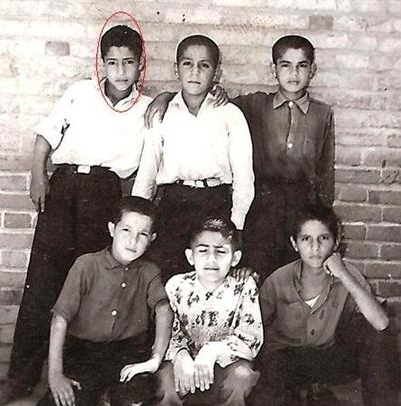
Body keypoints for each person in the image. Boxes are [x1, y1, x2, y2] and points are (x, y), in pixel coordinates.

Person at [0, 25, 152, 406]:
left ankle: (75, 380)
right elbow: (45, 136)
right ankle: (19, 378)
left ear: (140, 65)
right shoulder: (80, 93)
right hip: (64, 188)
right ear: (101, 64)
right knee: (43, 284)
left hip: (106, 194)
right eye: (113, 63)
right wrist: (37, 175)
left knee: (90, 286)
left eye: (128, 62)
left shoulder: (148, 108)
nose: (121, 71)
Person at [143, 35, 334, 284]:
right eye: (286, 65)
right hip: (244, 205)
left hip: (292, 204)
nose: (293, 73)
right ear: (274, 69)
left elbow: (324, 173)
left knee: (289, 274)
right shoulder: (254, 104)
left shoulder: (320, 113)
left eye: (302, 65)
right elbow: (196, 97)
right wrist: (166, 96)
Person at [26, 196, 173, 406]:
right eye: (126, 230)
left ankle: (113, 404)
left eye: (143, 234)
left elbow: (164, 310)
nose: (133, 241)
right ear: (112, 229)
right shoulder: (86, 265)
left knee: (140, 393)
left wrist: (155, 359)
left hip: (127, 352)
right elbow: (60, 319)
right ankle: (96, 391)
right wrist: (55, 375)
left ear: (152, 239)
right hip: (85, 352)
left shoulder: (150, 272)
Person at [253, 201, 393, 406]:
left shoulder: (348, 274)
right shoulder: (279, 280)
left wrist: (343, 274)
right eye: (306, 239)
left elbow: (381, 324)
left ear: (335, 243)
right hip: (288, 359)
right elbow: (254, 328)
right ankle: (301, 396)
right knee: (264, 401)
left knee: (373, 334)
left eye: (323, 238)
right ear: (294, 244)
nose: (315, 248)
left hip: (328, 356)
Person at [132, 34, 254, 282]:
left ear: (216, 73)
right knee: (168, 276)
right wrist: (137, 219)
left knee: (210, 277)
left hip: (215, 202)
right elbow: (148, 171)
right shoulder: (161, 114)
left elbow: (244, 177)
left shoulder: (230, 114)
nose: (195, 72)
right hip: (173, 204)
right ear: (175, 69)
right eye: (187, 63)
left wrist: (236, 225)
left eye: (204, 65)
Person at [133, 215, 263, 406]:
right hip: (183, 367)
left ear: (235, 258)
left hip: (223, 366)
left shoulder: (245, 286)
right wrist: (181, 355)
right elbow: (166, 331)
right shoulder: (176, 285)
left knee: (243, 375)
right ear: (190, 256)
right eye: (203, 251)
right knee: (165, 380)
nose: (212, 259)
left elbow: (251, 337)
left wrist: (213, 350)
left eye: (221, 251)